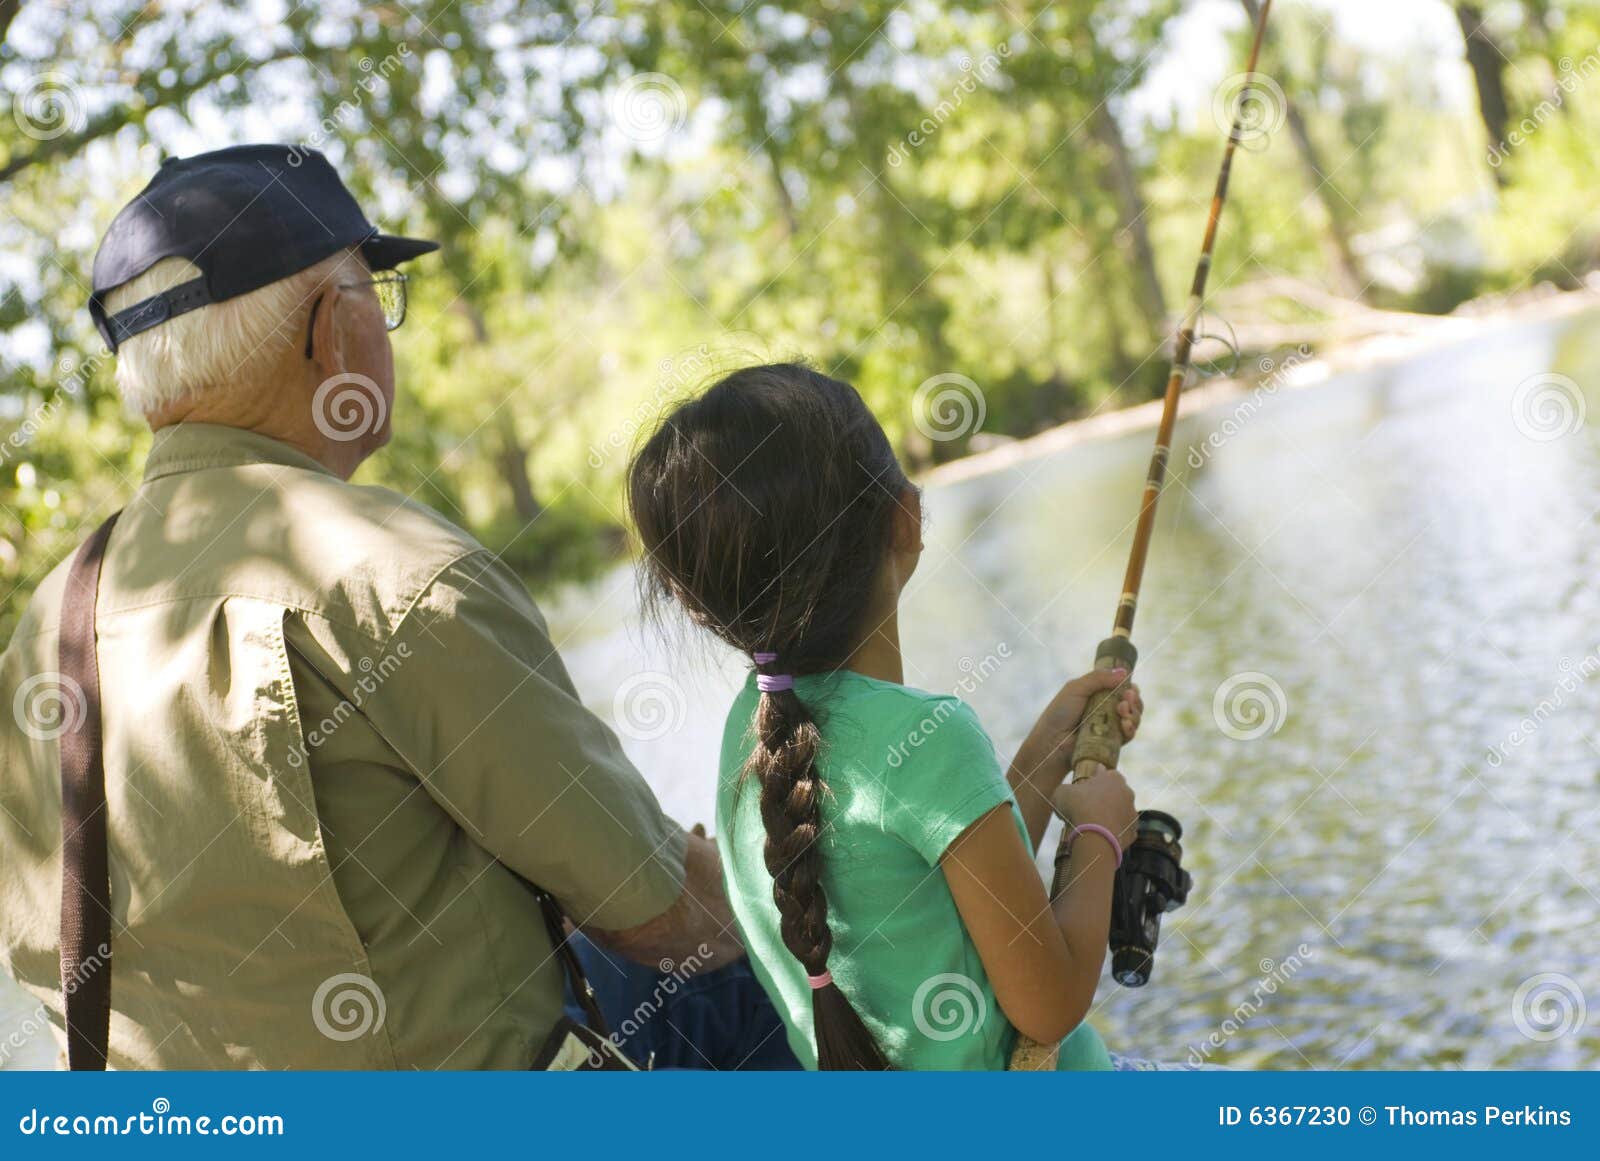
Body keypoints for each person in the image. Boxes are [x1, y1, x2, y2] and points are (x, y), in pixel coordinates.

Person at [0, 145, 792, 1070]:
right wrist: (820, 893)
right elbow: (659, 913)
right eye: (379, 298)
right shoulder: (392, 569)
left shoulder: (43, 629)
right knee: (765, 980)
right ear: (331, 330)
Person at [626, 363, 1151, 1070]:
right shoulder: (929, 737)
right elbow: (1050, 1000)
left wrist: (1042, 759)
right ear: (905, 515)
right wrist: (1098, 833)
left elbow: (936, 904)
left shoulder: (744, 735)